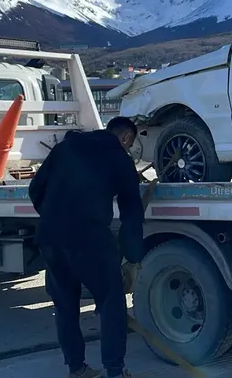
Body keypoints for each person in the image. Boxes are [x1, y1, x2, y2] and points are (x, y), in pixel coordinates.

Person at [28, 116, 144, 378]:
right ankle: (114, 371)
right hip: (88, 238)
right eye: (130, 144)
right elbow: (131, 212)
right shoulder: (119, 159)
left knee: (66, 304)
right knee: (111, 300)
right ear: (126, 138)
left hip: (50, 236)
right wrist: (133, 255)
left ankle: (77, 369)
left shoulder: (65, 148)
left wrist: (53, 217)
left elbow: (35, 189)